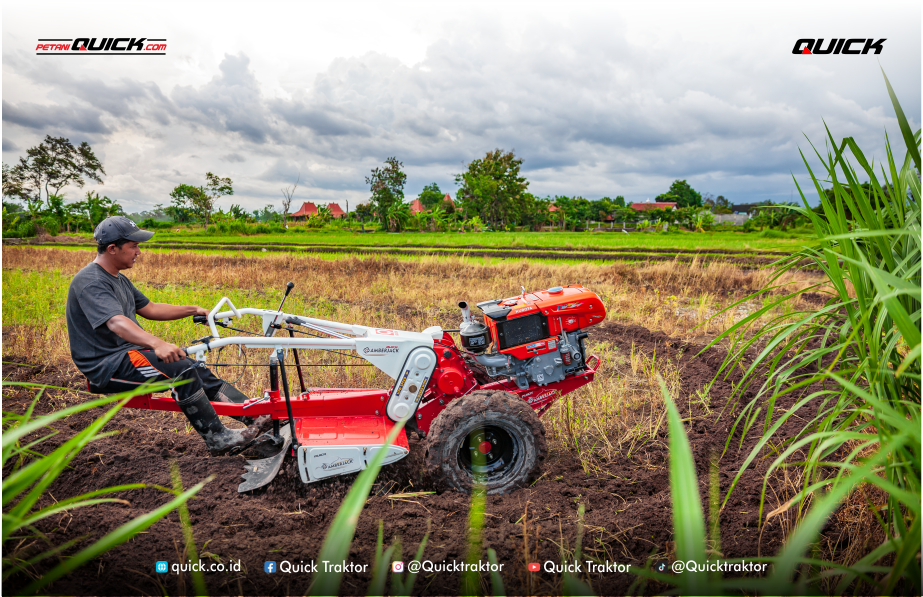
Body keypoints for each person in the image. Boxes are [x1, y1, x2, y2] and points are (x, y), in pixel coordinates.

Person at [65, 216, 269, 455]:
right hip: (107, 364)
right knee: (181, 369)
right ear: (112, 249)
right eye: (133, 245)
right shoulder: (91, 281)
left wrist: (195, 310)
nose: (139, 251)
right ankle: (218, 438)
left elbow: (150, 308)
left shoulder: (119, 279)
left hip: (129, 354)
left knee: (197, 369)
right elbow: (115, 321)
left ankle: (258, 418)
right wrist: (156, 343)